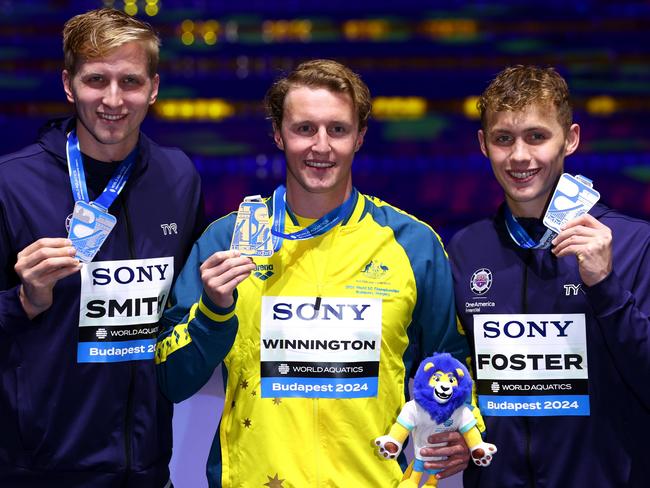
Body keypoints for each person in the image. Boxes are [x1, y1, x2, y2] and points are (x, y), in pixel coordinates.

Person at [156, 59, 475, 487]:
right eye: (304, 128)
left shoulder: (413, 245)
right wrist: (213, 313)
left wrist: (460, 432)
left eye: (337, 130)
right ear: (278, 133)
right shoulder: (227, 240)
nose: (320, 146)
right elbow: (171, 379)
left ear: (360, 137)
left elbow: (451, 363)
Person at [0, 8, 203, 487]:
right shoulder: (11, 183)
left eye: (130, 81)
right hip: (38, 471)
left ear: (153, 87)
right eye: (96, 80)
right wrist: (24, 301)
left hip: (148, 468)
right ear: (69, 85)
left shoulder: (178, 178)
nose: (113, 99)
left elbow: (183, 310)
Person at [447, 65, 650, 487]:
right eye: (504, 139)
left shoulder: (634, 243)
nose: (520, 156)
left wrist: (606, 287)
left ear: (570, 139)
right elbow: (450, 368)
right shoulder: (468, 249)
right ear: (484, 145)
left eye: (537, 136)